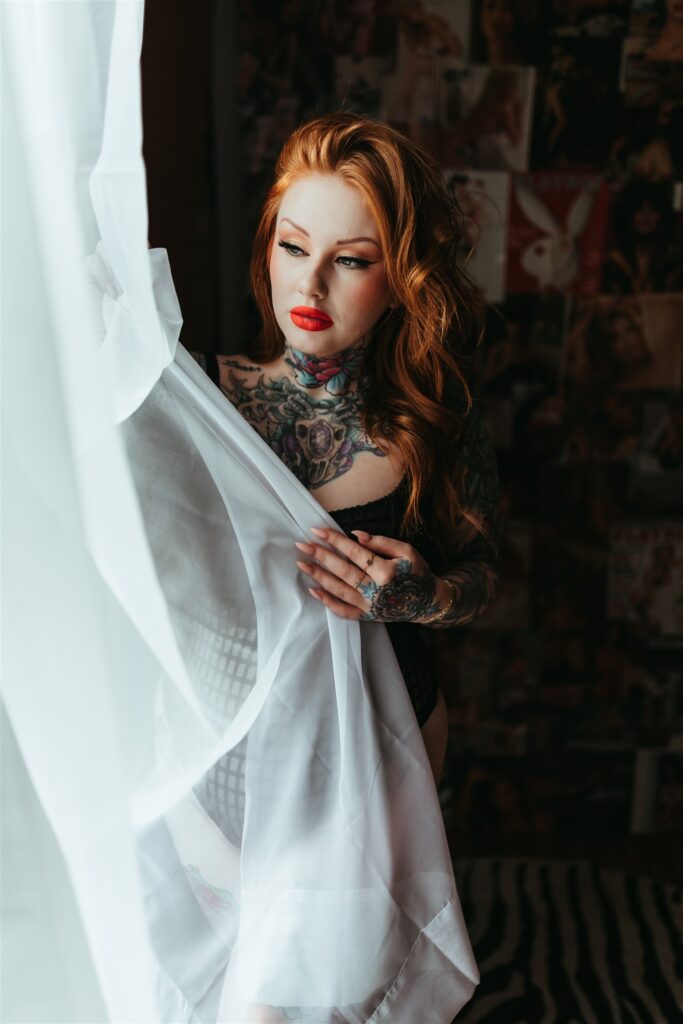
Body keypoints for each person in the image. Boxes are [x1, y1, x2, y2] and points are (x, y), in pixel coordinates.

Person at [193, 112, 500, 790]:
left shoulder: (439, 421)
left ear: (401, 280)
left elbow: (482, 575)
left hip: (386, 746)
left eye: (352, 260)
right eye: (293, 247)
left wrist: (424, 598)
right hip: (224, 757)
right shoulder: (194, 396)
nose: (310, 284)